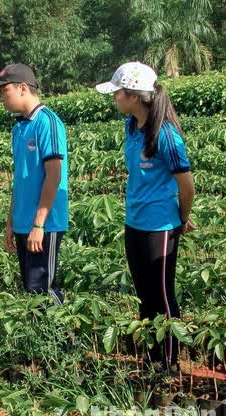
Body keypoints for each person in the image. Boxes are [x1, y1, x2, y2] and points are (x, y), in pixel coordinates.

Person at [96, 62, 196, 373]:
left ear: (134, 96)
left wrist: (182, 218)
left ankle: (169, 363)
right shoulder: (131, 127)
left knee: (162, 295)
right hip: (135, 221)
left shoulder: (166, 135)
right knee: (144, 294)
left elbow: (187, 185)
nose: (115, 99)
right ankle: (152, 360)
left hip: (160, 225)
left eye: (118, 94)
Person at [0, 63, 69, 304]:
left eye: (4, 91)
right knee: (31, 290)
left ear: (22, 88)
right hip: (24, 222)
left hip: (45, 224)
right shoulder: (19, 128)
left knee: (43, 288)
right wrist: (11, 222)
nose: (2, 98)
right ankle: (42, 338)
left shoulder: (47, 122)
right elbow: (20, 179)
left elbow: (54, 175)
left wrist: (39, 224)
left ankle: (61, 340)